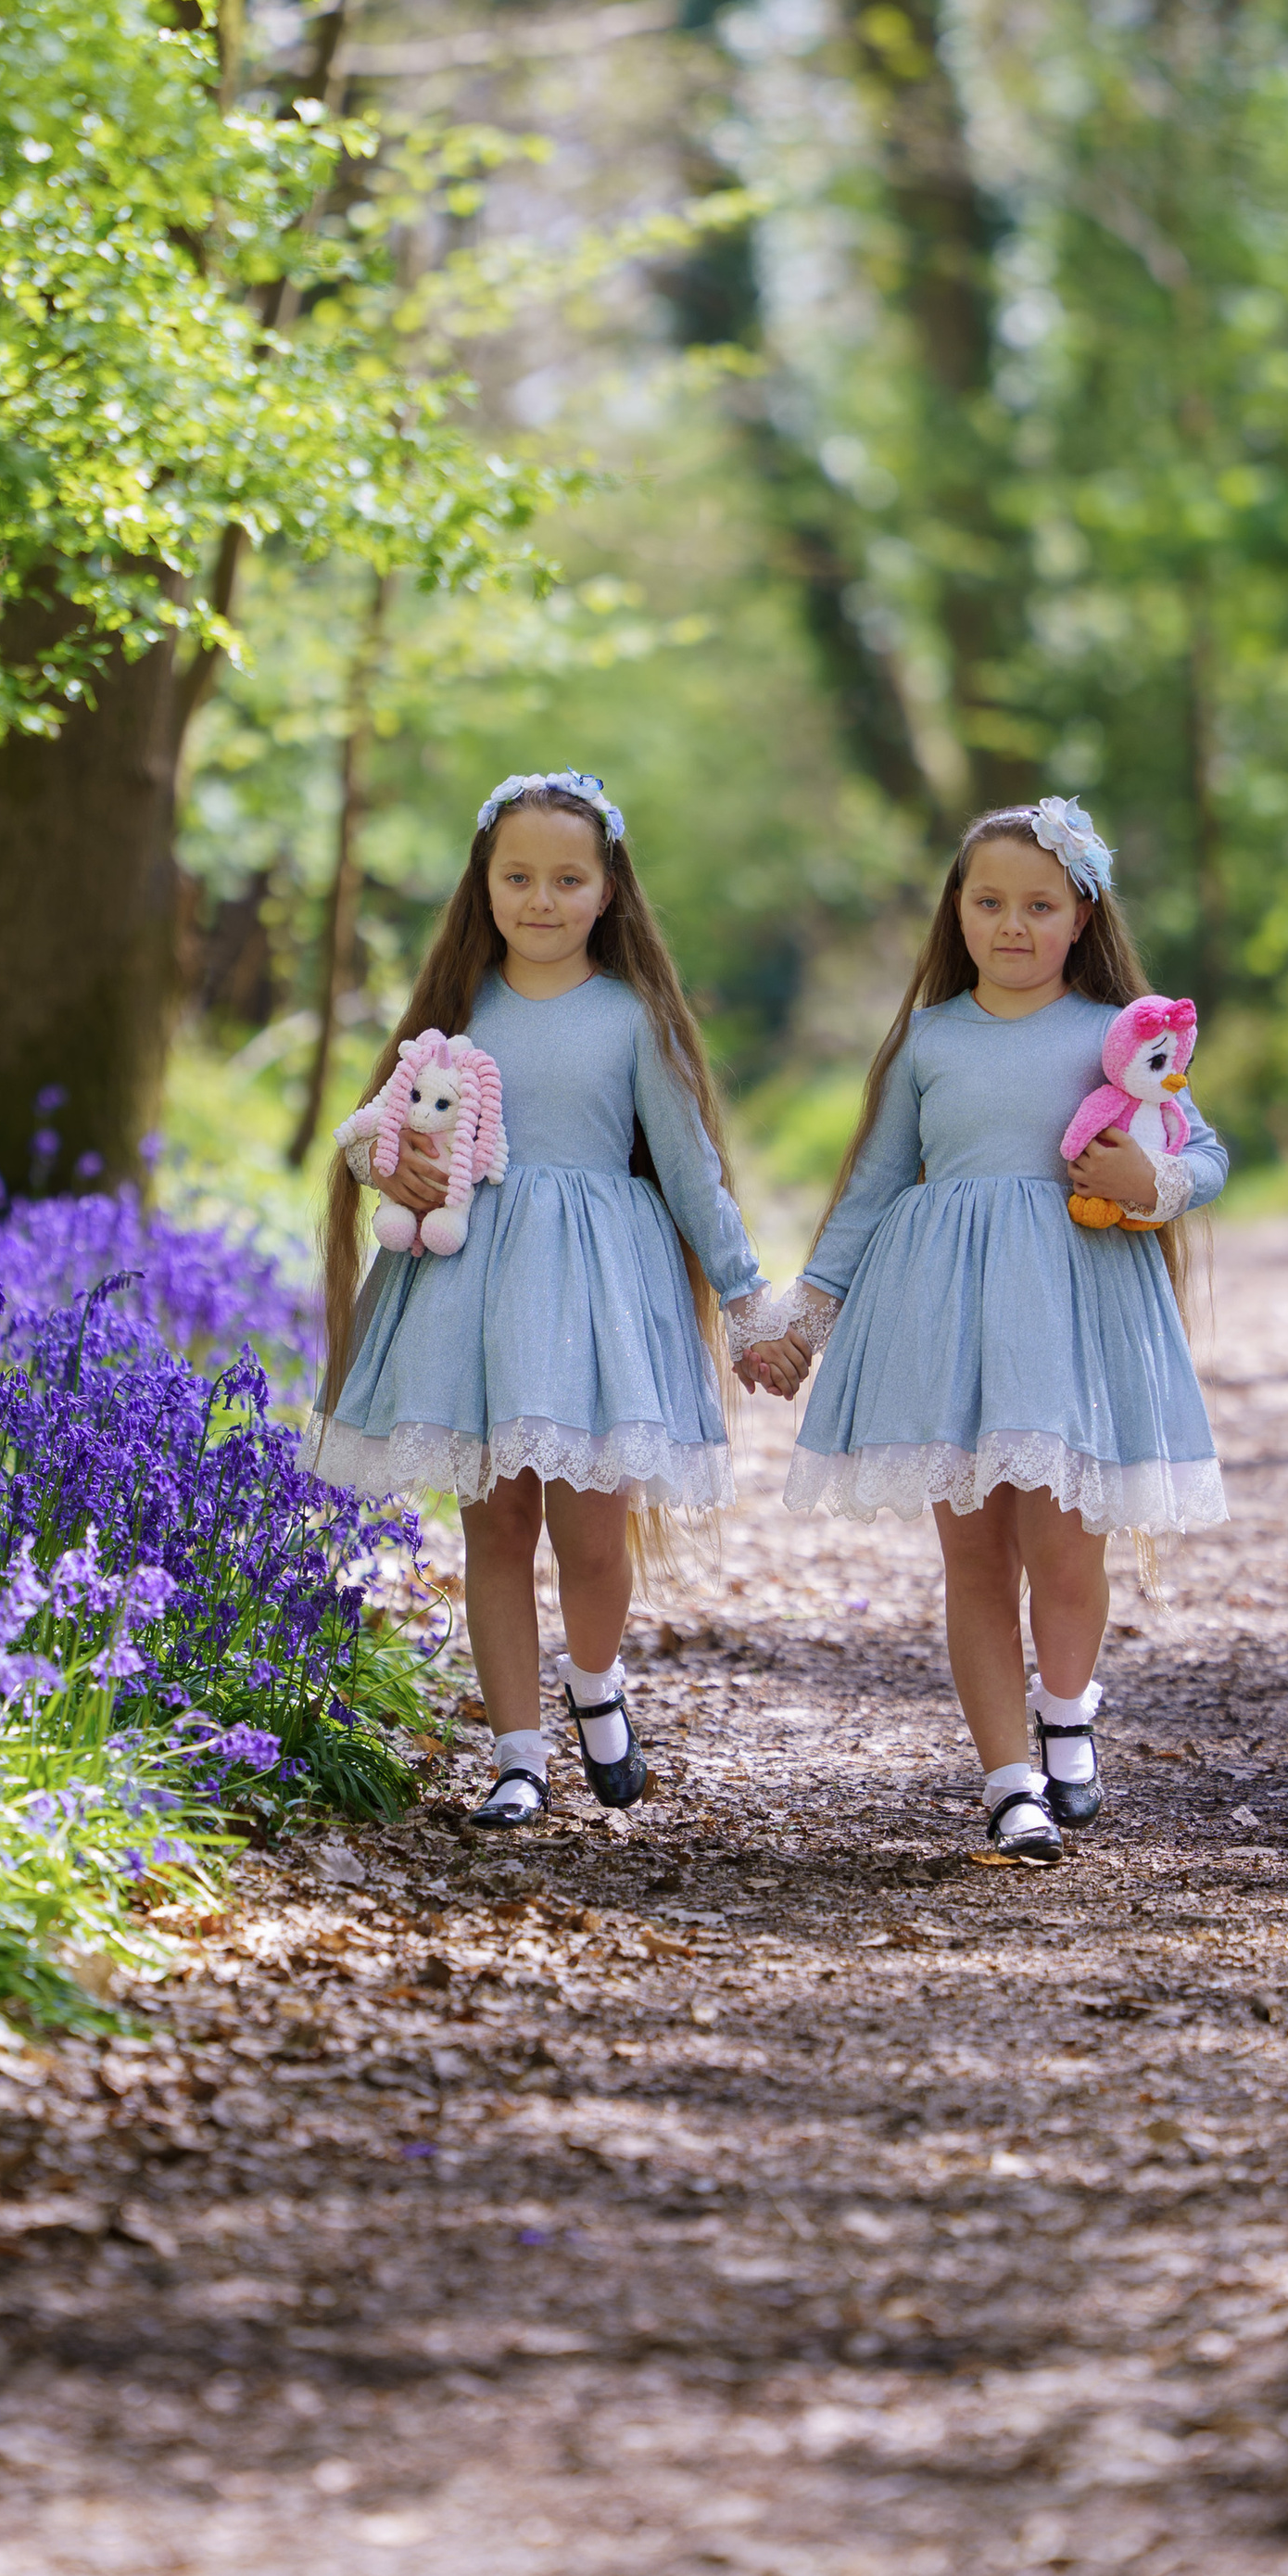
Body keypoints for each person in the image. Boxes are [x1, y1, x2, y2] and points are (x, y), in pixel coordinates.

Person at [747, 796, 1227, 1863]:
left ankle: (1066, 1712)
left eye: (1039, 905)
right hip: (949, 1313)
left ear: (1081, 913)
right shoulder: (928, 1037)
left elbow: (1203, 1152)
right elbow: (870, 1192)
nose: (1013, 925)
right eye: (989, 902)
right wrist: (800, 1326)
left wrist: (1153, 1180)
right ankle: (1008, 1783)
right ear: (955, 913)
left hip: (1068, 1309)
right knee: (973, 1557)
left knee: (1063, 1549)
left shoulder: (1116, 1033)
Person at [319, 768, 790, 1833]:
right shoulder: (453, 1011)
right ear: (482, 885)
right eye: (518, 876)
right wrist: (379, 1168)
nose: (540, 899)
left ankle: (593, 1678)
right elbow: (374, 1126)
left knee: (588, 1537)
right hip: (472, 1288)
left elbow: (689, 1169)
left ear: (608, 891)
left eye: (566, 879)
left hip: (591, 1295)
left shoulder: (631, 1019)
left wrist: (750, 1301)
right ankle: (517, 1755)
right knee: (494, 1529)